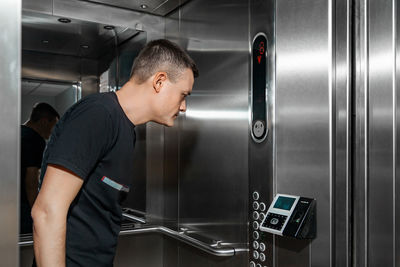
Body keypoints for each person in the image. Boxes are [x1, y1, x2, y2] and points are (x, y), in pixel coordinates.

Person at [32, 39, 198, 267]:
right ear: (159, 81)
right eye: (183, 94)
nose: (183, 106)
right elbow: (47, 211)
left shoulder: (125, 128)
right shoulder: (98, 115)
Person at [20, 103, 59, 234]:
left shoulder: (17, 132)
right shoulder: (35, 139)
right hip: (23, 206)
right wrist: (36, 211)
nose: (53, 132)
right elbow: (31, 180)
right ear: (44, 122)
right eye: (54, 126)